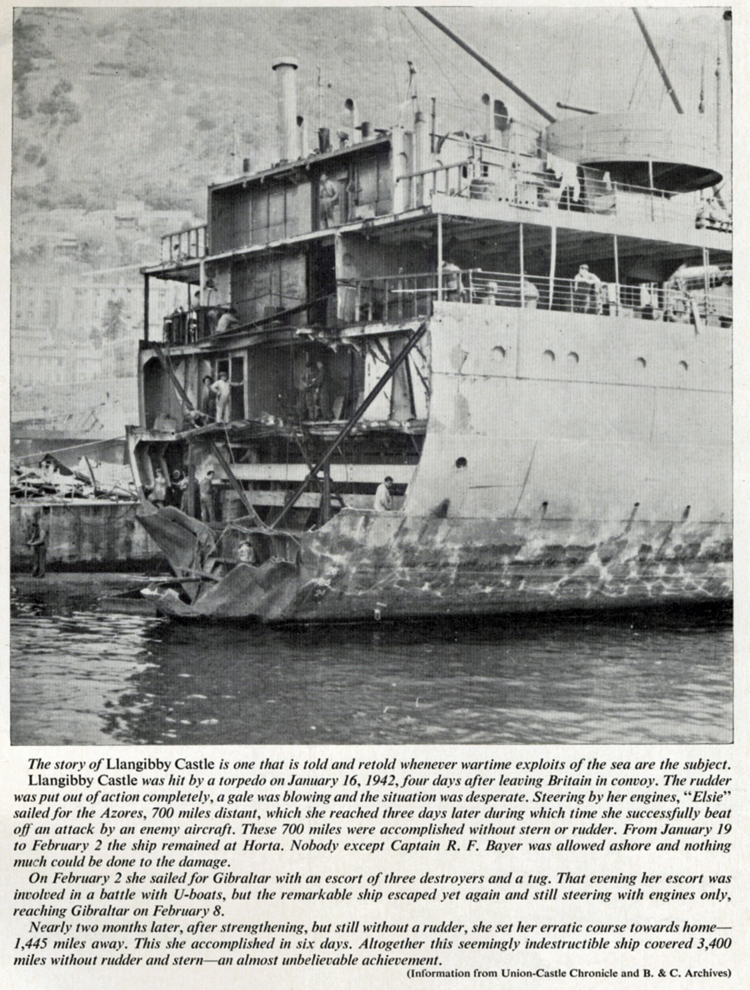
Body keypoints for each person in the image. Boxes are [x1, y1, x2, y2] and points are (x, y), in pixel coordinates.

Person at [299, 352, 325, 421]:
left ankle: (316, 417)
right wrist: (305, 384)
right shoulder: (305, 372)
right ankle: (311, 418)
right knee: (309, 404)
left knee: (316, 403)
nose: (309, 369)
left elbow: (319, 380)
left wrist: (314, 384)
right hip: (308, 390)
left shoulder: (316, 372)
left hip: (315, 389)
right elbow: (301, 379)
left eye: (310, 367)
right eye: (308, 368)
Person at [26, 507, 49, 578]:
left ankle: (41, 573)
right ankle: (35, 572)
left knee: (41, 560)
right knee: (36, 560)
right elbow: (33, 537)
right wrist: (29, 542)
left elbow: (41, 540)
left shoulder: (42, 530)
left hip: (42, 546)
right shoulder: (36, 530)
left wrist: (32, 544)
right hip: (37, 546)